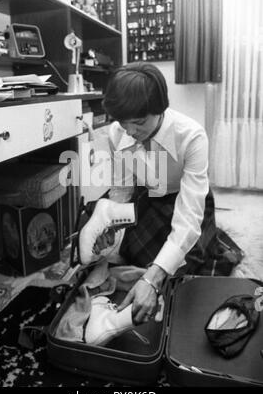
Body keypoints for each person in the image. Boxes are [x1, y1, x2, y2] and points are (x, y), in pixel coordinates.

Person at [81, 62, 219, 325]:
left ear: (161, 109)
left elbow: (189, 217)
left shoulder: (191, 136)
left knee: (180, 271)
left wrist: (152, 278)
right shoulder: (116, 132)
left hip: (183, 198)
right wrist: (113, 222)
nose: (130, 131)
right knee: (135, 254)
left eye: (139, 122)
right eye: (123, 122)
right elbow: (122, 187)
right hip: (148, 196)